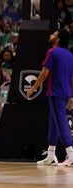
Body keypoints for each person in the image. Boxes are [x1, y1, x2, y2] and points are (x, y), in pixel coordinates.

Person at [26, 29, 73, 166]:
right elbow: (72, 77)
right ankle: (51, 155)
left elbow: (44, 74)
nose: (51, 35)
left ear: (58, 39)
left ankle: (70, 153)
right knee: (53, 122)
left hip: (55, 92)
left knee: (60, 122)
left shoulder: (52, 52)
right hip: (65, 92)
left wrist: (32, 89)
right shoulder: (70, 55)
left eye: (54, 34)